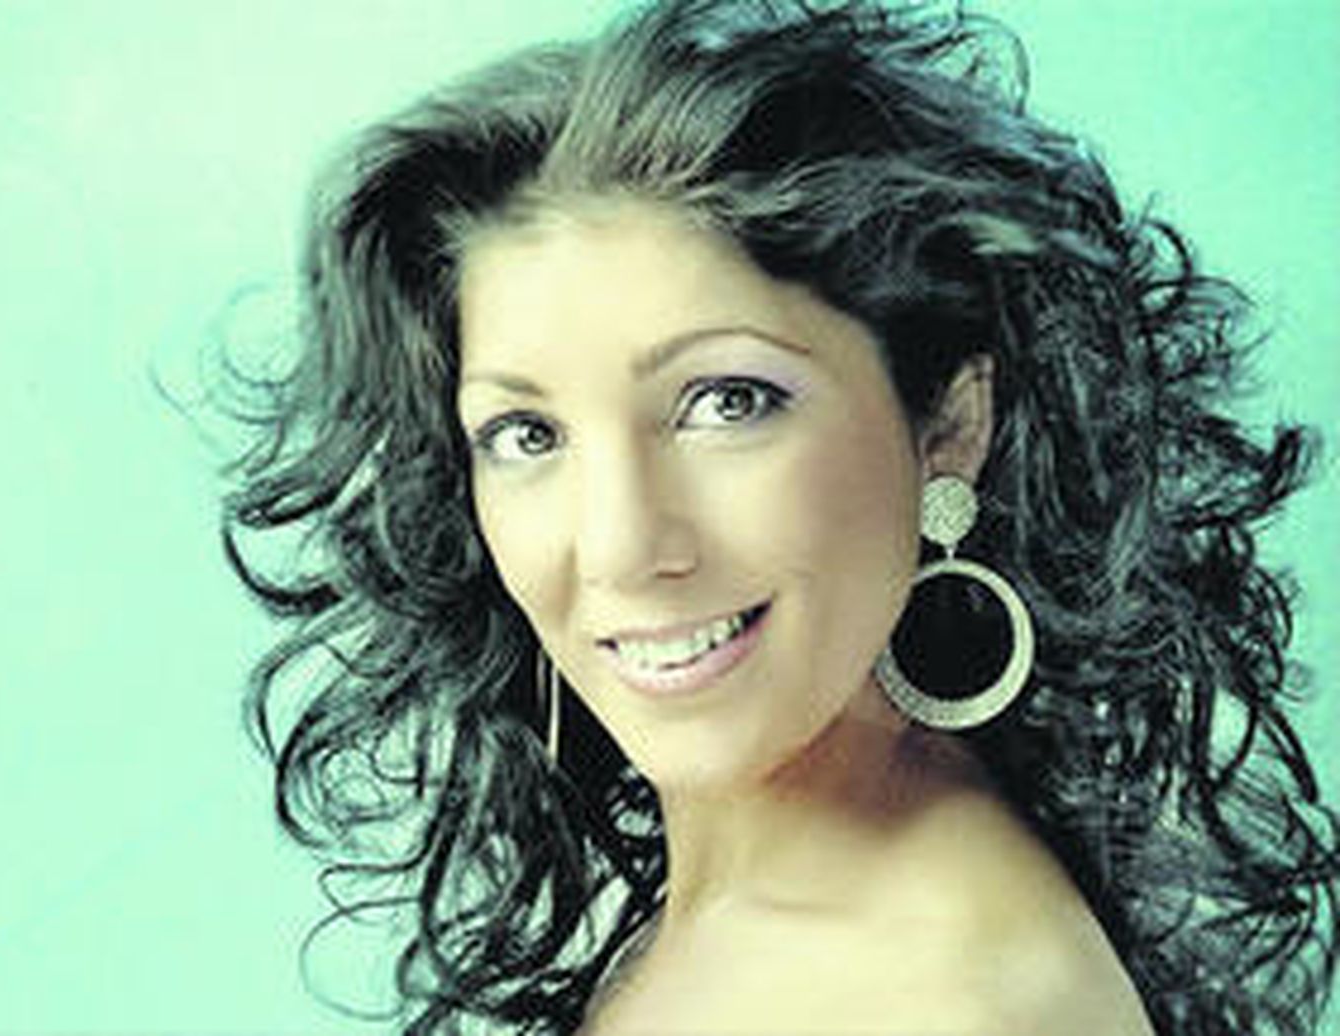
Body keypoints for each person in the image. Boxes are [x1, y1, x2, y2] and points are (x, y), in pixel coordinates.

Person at [213, 1, 1339, 1032]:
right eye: (526, 434)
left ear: (948, 422)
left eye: (726, 402)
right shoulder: (769, 896)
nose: (619, 546)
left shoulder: (953, 1005)